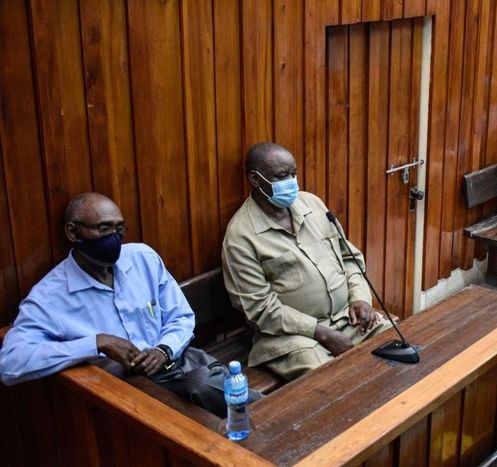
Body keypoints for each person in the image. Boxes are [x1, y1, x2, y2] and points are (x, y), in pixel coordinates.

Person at [0, 193, 254, 417]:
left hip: (178, 361)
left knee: (231, 393)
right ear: (73, 232)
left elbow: (181, 316)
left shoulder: (142, 258)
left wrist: (163, 350)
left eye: (119, 229)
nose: (114, 238)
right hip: (126, 388)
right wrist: (96, 343)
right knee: (209, 399)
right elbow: (11, 363)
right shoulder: (50, 296)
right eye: (103, 229)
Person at [221, 142, 392, 381]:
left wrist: (361, 299)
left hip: (347, 317)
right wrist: (320, 332)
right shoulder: (241, 236)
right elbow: (260, 310)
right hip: (292, 337)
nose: (291, 181)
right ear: (255, 179)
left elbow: (349, 258)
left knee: (396, 345)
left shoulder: (311, 204)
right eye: (282, 176)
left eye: (293, 173)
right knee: (336, 379)